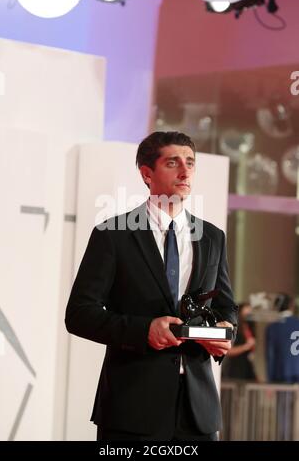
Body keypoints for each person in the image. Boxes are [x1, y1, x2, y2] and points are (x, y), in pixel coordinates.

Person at [65, 131, 238, 441]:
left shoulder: (213, 237)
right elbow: (79, 313)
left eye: (190, 163)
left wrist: (227, 330)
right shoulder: (113, 234)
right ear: (147, 174)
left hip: (197, 413)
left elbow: (225, 306)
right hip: (131, 409)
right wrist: (143, 330)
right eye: (173, 163)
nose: (185, 172)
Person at [266, 293, 299, 383]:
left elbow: (270, 355)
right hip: (297, 369)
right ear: (291, 306)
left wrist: (269, 379)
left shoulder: (273, 327)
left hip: (280, 372)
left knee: (282, 397)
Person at [222, 302, 256, 381]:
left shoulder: (250, 328)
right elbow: (228, 351)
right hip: (235, 369)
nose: (249, 313)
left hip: (247, 368)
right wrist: (246, 346)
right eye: (247, 311)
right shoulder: (234, 328)